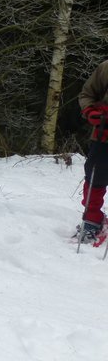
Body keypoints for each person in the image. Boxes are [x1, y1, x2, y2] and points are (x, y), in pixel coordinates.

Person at [75, 60, 108, 242]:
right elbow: (87, 94)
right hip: (104, 134)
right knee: (95, 176)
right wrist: (90, 111)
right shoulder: (106, 68)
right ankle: (92, 220)